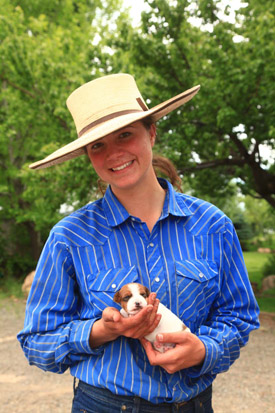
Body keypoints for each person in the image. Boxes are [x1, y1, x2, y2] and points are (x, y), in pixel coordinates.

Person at [18, 74, 260, 413]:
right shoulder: (69, 237)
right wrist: (100, 331)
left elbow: (239, 316)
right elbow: (37, 341)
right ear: (87, 154)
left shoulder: (213, 225)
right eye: (97, 145)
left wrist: (205, 350)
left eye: (125, 134)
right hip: (103, 405)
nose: (114, 153)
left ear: (152, 131)